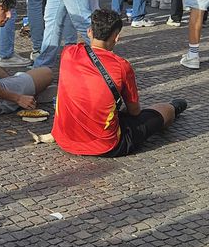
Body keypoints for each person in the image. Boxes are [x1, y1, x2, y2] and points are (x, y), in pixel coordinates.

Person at [52, 9, 185, 157]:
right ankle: (175, 106)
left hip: (64, 137)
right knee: (161, 112)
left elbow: (83, 46)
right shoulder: (121, 66)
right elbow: (134, 111)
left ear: (90, 31)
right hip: (105, 145)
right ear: (116, 37)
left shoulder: (69, 53)